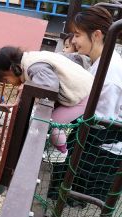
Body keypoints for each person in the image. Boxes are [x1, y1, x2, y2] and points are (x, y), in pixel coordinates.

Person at [48, 5, 122, 204]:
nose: (73, 41)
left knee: (68, 186)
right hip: (95, 135)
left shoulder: (110, 76)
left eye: (78, 34)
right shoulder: (100, 60)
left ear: (96, 35)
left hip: (103, 147)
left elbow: (103, 121)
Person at [0, 46, 94, 162]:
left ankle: (61, 152)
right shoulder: (32, 57)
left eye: (5, 80)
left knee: (50, 123)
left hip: (84, 96)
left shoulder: (34, 68)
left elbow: (49, 89)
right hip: (85, 88)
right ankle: (52, 145)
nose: (8, 83)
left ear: (12, 69)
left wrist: (31, 90)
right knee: (47, 121)